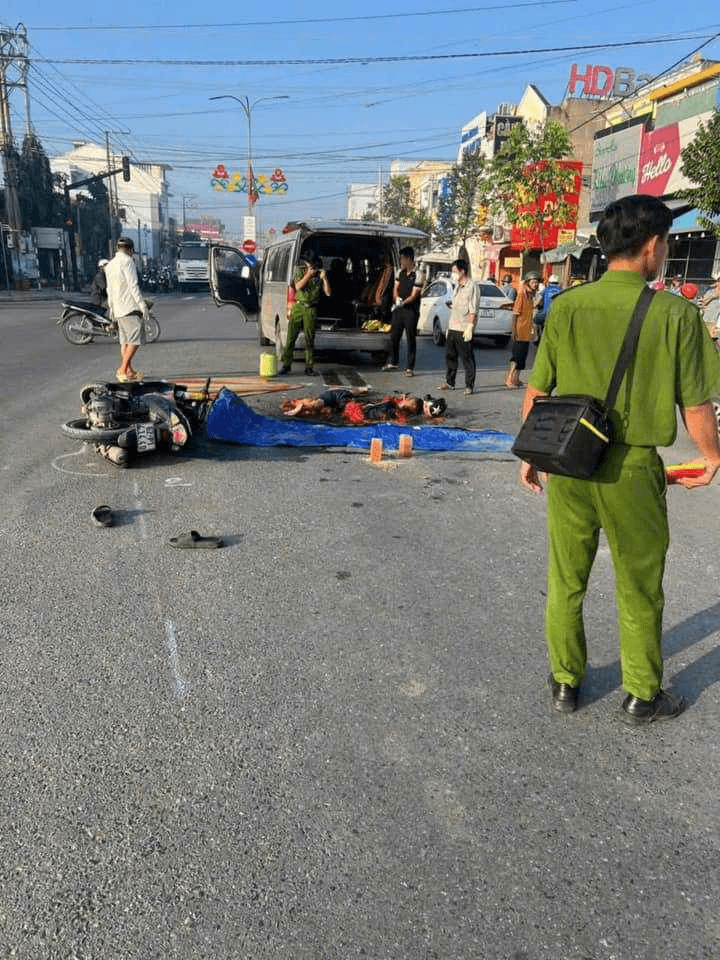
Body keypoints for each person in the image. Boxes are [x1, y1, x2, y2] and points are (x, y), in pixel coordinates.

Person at [519, 194, 720, 725]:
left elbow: (538, 392)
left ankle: (565, 682)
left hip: (568, 460)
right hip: (631, 470)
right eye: (667, 242)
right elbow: (696, 401)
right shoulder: (677, 314)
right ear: (652, 246)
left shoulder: (566, 306)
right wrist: (711, 456)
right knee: (639, 582)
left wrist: (531, 455)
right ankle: (642, 695)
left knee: (566, 576)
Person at [104, 237, 148, 382]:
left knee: (125, 341)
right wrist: (142, 305)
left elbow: (109, 289)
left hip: (117, 308)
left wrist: (111, 307)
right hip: (129, 307)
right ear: (130, 250)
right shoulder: (128, 262)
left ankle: (129, 371)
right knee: (135, 340)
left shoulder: (110, 265)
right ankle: (122, 369)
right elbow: (133, 285)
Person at [280, 254, 330, 376]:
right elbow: (298, 286)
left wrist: (324, 279)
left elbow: (328, 293)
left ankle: (309, 367)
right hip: (299, 307)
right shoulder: (300, 271)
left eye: (314, 267)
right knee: (291, 337)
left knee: (309, 339)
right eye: (310, 265)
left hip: (311, 309)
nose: (312, 268)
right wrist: (308, 275)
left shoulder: (319, 275)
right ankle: (286, 365)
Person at [384, 246, 425, 377]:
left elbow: (414, 295)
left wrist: (403, 302)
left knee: (410, 338)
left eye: (403, 258)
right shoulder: (399, 272)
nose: (401, 261)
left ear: (409, 259)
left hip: (411, 311)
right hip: (398, 310)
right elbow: (395, 288)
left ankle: (410, 367)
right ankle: (393, 361)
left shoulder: (418, 274)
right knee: (394, 337)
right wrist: (396, 299)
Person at [440, 259, 478, 396]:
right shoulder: (457, 286)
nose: (453, 274)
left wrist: (469, 327)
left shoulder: (472, 287)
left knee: (467, 358)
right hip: (453, 326)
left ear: (462, 271)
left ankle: (469, 386)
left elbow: (473, 309)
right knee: (450, 356)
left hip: (463, 328)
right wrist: (449, 328)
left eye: (455, 271)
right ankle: (450, 382)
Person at [505, 271, 540, 389]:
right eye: (533, 282)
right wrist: (514, 331)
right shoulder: (521, 295)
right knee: (516, 357)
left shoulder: (530, 297)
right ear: (527, 282)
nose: (535, 284)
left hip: (526, 332)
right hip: (519, 332)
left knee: (522, 358)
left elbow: (528, 314)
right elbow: (515, 314)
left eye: (537, 282)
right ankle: (510, 379)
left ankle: (516, 379)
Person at [533, 273, 562, 343]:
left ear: (549, 282)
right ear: (558, 282)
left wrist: (534, 305)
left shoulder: (545, 290)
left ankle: (538, 338)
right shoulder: (562, 290)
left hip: (545, 313)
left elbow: (537, 302)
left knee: (535, 321)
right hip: (558, 314)